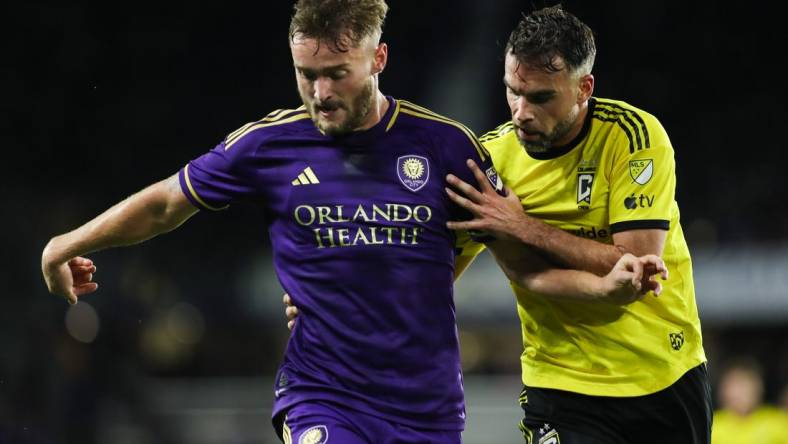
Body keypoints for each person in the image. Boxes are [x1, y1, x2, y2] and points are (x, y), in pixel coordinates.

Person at [42, 1, 667, 443]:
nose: (319, 93)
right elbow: (166, 202)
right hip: (323, 394)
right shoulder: (269, 145)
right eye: (306, 75)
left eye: (336, 74)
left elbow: (525, 270)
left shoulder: (448, 148)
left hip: (427, 408)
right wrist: (68, 242)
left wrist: (604, 289)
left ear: (378, 59)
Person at [443, 5, 712, 444]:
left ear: (584, 87)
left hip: (661, 375)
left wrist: (523, 226)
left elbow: (638, 265)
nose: (521, 111)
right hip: (559, 384)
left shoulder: (632, 137)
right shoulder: (489, 162)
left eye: (541, 97)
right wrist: (331, 301)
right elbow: (428, 271)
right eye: (513, 91)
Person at [711, 357, 788, 444]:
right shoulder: (711, 426)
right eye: (735, 386)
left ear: (758, 389)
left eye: (744, 387)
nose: (739, 394)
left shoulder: (777, 422)